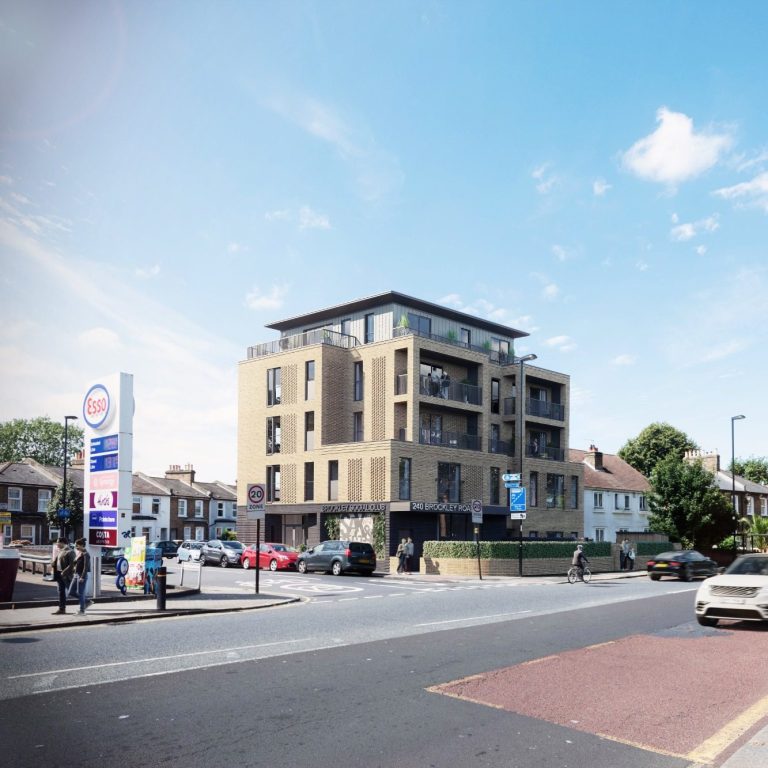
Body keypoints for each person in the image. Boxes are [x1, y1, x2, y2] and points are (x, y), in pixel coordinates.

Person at [51, 538, 75, 615]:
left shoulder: (70, 551)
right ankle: (62, 609)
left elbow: (72, 565)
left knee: (72, 592)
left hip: (65, 575)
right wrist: (53, 564)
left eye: (58, 543)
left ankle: (86, 601)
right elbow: (58, 561)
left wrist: (64, 572)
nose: (56, 544)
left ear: (63, 543)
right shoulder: (60, 550)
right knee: (61, 592)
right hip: (58, 574)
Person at [72, 538, 92, 615]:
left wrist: (82, 577)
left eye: (77, 545)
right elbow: (75, 563)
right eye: (75, 545)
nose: (76, 547)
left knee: (81, 593)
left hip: (81, 575)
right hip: (76, 574)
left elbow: (85, 567)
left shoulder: (86, 554)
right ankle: (87, 601)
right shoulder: (79, 553)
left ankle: (82, 610)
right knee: (71, 591)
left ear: (82, 545)